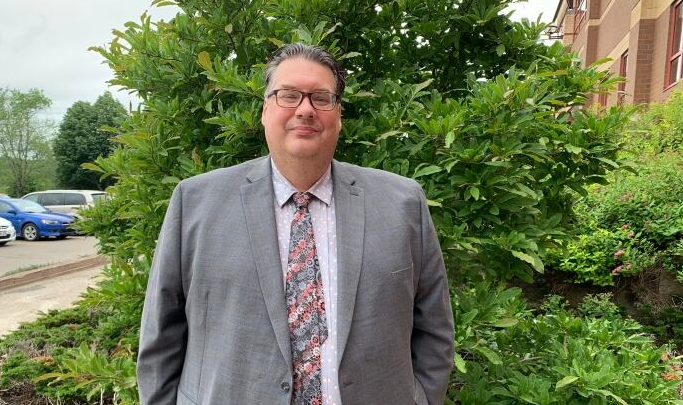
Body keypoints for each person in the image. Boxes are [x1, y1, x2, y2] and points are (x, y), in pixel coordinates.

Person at [137, 43, 454, 405]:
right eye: (288, 95)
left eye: (321, 97)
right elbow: (160, 339)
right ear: (265, 110)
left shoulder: (403, 203)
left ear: (338, 115)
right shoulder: (195, 203)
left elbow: (434, 328)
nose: (305, 110)